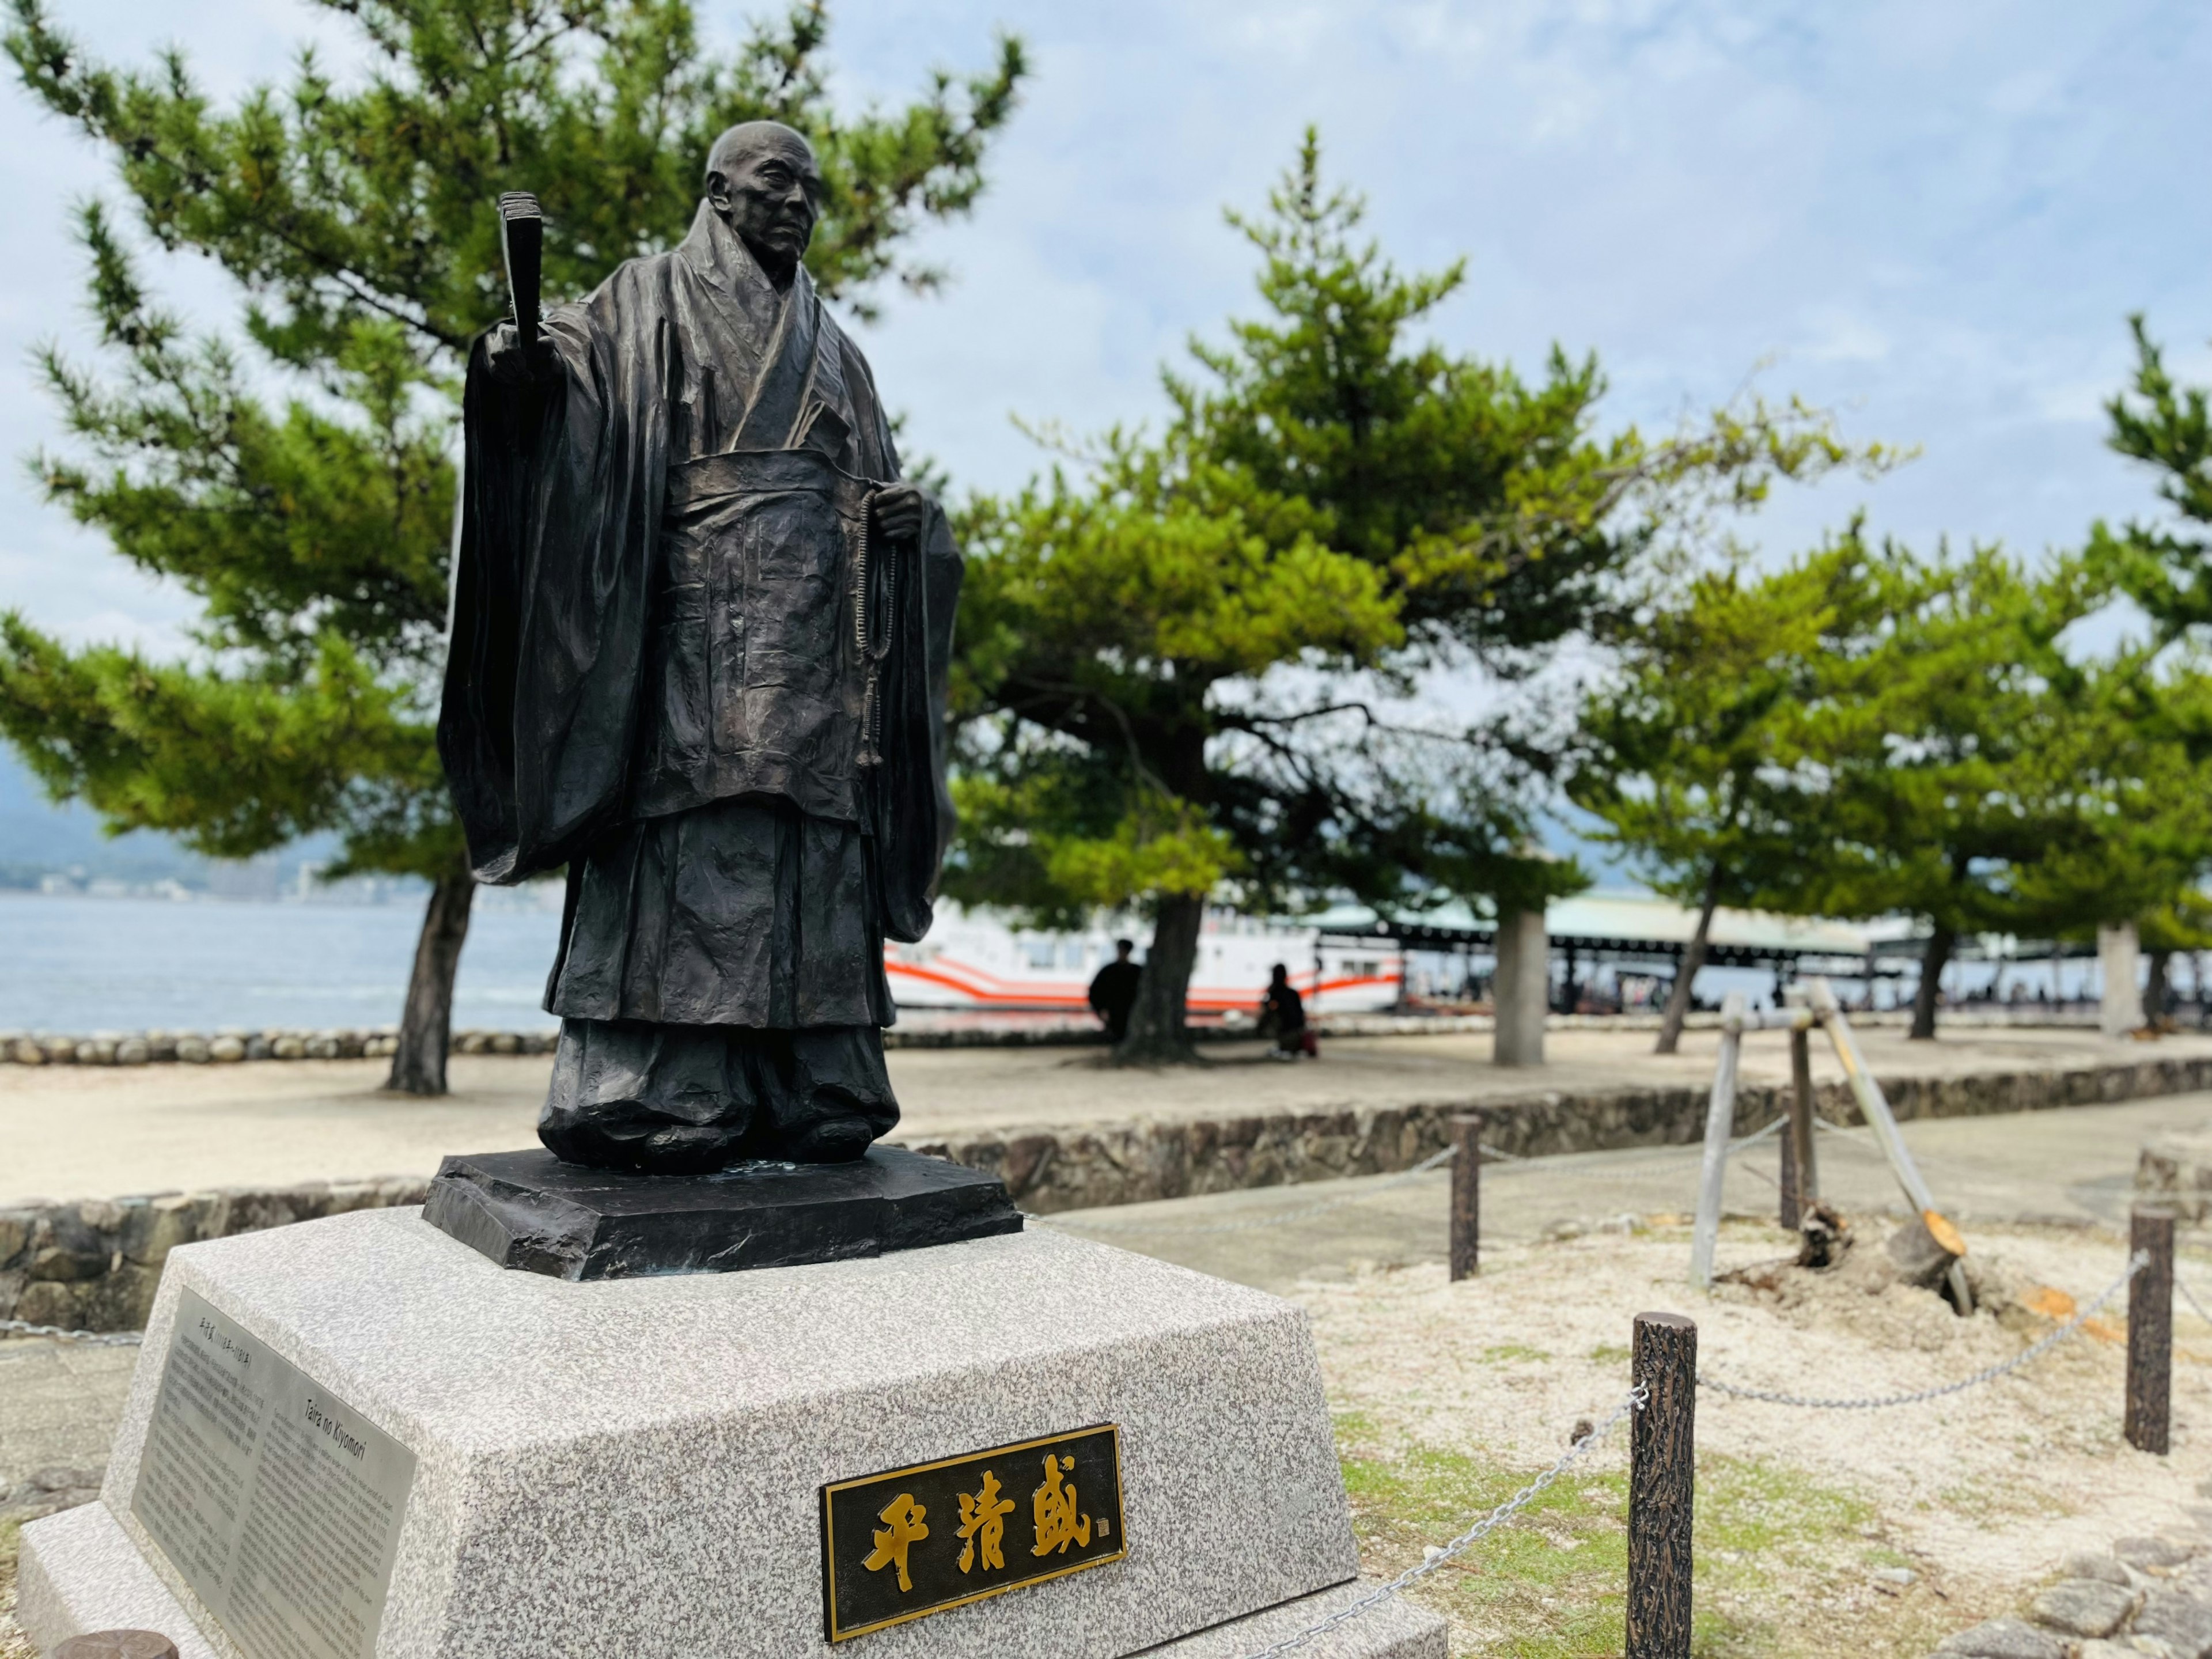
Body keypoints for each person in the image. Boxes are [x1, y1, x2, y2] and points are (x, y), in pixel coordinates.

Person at [440, 122, 960, 1174]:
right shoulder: (642, 301)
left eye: (810, 188)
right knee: (686, 844)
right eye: (776, 182)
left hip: (820, 660)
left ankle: (815, 1085)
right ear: (717, 192)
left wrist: (913, 527)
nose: (799, 203)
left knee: (814, 857)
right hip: (686, 647)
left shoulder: (839, 353)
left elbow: (881, 492)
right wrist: (515, 377)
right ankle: (661, 1091)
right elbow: (562, 383)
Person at [1087, 939, 1143, 1044]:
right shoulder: (1108, 971)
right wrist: (1101, 1010)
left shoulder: (1137, 971)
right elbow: (1095, 992)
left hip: (1131, 1013)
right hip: (1113, 1014)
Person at [1261, 964, 1314, 1060]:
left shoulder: (1275, 993)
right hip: (1297, 1031)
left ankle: (1287, 1044)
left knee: (1270, 1013)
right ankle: (1291, 1045)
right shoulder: (1293, 993)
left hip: (1288, 1032)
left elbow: (1267, 1007)